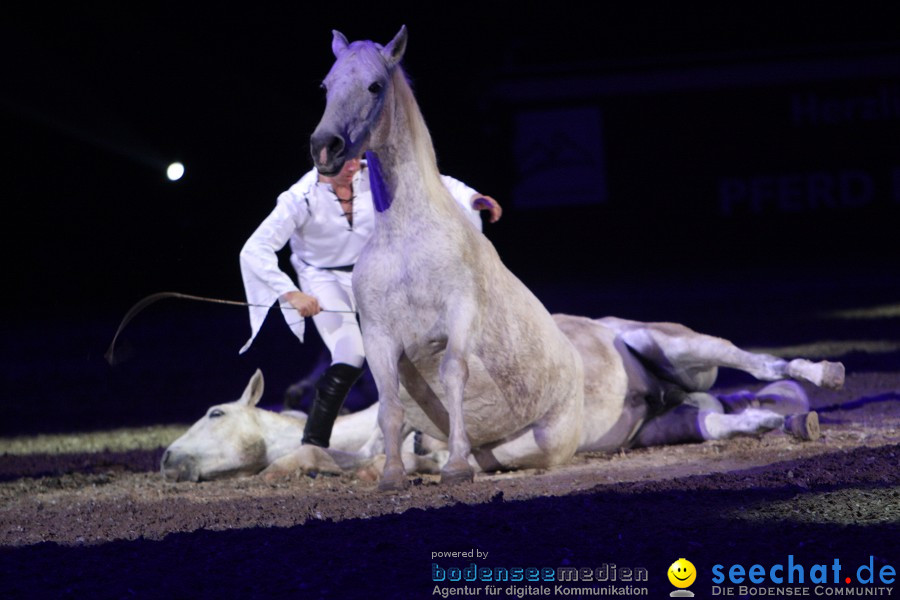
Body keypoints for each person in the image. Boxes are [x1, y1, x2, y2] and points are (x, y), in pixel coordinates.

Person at [239, 156, 502, 448]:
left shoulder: (373, 173)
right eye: (344, 163)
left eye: (355, 157)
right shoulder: (299, 198)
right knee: (350, 353)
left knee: (414, 347)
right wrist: (290, 294)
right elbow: (254, 249)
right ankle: (313, 445)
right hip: (322, 277)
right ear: (321, 164)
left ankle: (426, 431)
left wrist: (472, 197)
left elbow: (434, 180)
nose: (354, 166)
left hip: (375, 271)